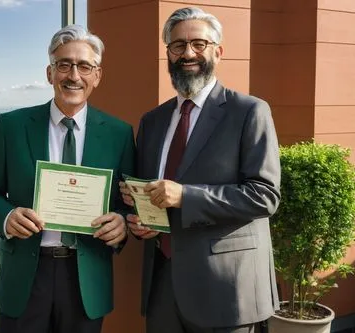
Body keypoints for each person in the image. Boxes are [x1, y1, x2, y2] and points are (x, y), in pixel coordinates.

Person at [120, 7, 281, 333]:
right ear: (168, 52)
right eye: (178, 45)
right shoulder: (152, 121)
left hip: (226, 288)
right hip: (163, 286)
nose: (188, 53)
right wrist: (142, 220)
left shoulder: (249, 111)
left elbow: (264, 196)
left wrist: (185, 196)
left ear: (218, 52)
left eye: (199, 43)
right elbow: (153, 193)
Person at [0, 25, 135, 333]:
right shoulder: (13, 125)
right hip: (24, 275)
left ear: (97, 76)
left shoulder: (119, 134)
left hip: (85, 279)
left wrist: (123, 222)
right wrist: (7, 216)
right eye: (64, 65)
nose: (73, 75)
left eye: (84, 66)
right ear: (50, 73)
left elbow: (128, 201)